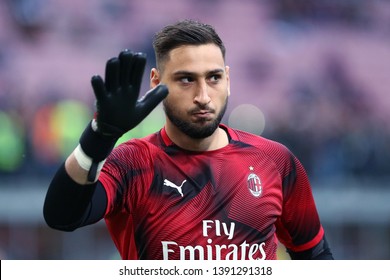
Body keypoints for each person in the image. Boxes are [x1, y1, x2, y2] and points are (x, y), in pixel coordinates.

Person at [43, 19, 333, 260]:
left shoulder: (275, 160)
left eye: (214, 78)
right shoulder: (134, 161)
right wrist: (100, 135)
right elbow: (62, 215)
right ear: (156, 82)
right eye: (186, 79)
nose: (203, 96)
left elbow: (315, 256)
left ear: (228, 79)